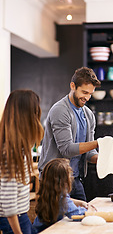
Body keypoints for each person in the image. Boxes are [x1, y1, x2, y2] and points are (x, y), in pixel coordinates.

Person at [38, 67, 101, 201]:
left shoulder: (89, 115)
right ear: (73, 86)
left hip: (75, 179)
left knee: (82, 217)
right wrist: (98, 143)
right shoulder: (60, 110)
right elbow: (66, 149)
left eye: (90, 93)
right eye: (84, 92)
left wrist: (106, 159)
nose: (87, 98)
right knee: (54, 221)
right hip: (54, 180)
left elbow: (89, 153)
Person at [0, 90, 44, 234]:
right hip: (14, 220)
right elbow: (8, 202)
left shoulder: (17, 148)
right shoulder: (12, 152)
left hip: (19, 217)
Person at [33, 158, 94, 233]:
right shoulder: (61, 198)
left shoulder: (50, 192)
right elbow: (76, 214)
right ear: (64, 180)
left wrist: (80, 203)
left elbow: (66, 199)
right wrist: (89, 211)